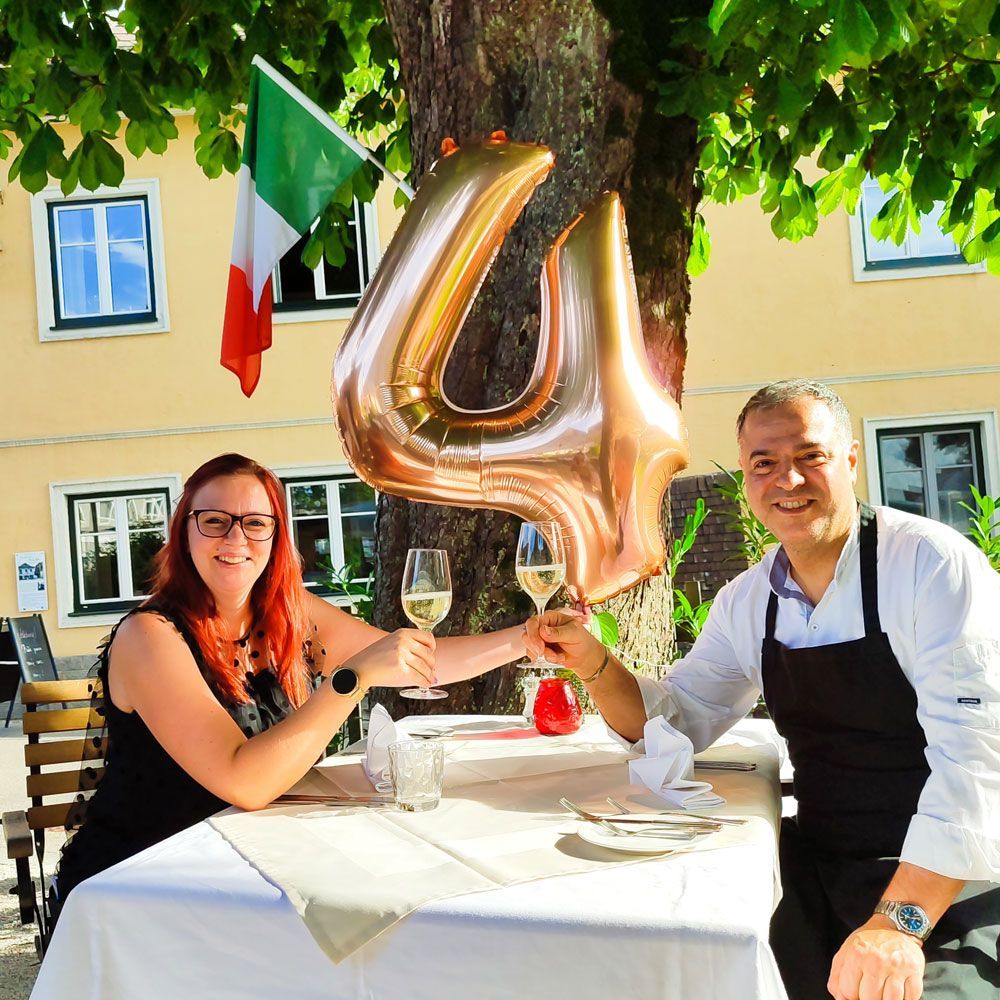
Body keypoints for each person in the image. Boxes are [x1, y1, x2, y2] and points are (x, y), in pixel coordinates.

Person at [526, 380, 1000, 1000]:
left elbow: (978, 759)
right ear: (747, 479)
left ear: (851, 461)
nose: (789, 480)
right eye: (764, 463)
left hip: (952, 879)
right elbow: (675, 720)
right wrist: (593, 663)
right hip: (818, 866)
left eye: (811, 456)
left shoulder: (929, 564)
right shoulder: (749, 600)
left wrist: (897, 925)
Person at [52, 453, 526, 920]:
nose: (236, 537)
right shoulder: (150, 637)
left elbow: (420, 663)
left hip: (242, 867)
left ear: (276, 537)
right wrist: (353, 679)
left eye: (256, 523)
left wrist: (528, 639)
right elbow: (246, 783)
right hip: (141, 887)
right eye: (214, 520)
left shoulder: (289, 614)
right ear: (184, 532)